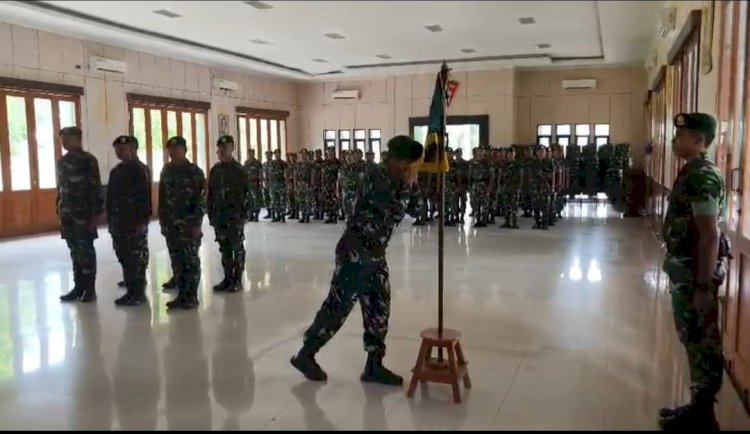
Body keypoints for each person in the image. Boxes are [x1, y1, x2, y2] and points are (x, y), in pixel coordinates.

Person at [291, 135, 423, 386]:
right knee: (338, 307)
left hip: (375, 254)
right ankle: (305, 355)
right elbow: (396, 212)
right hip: (355, 253)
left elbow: (417, 210)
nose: (407, 168)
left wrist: (412, 185)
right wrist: (407, 186)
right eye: (405, 163)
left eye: (410, 165)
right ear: (393, 159)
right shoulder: (375, 177)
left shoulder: (398, 178)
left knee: (379, 307)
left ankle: (374, 365)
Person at [658, 113, 731, 431]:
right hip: (688, 272)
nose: (674, 141)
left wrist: (703, 286)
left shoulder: (702, 176)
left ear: (699, 140)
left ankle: (703, 417)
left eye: (681, 136)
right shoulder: (694, 171)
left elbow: (709, 235)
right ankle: (699, 408)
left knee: (701, 340)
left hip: (695, 276)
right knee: (694, 338)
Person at [57, 126, 104, 303]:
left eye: (66, 138)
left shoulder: (88, 160)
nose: (63, 142)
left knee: (86, 251)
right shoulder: (62, 161)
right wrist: (59, 209)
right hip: (67, 214)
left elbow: (95, 187)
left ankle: (90, 289)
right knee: (74, 251)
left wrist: (96, 214)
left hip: (84, 214)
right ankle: (78, 287)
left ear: (77, 139)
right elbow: (61, 188)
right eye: (62, 139)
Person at [159, 136, 206, 310]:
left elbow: (202, 199)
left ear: (185, 150)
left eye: (176, 149)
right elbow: (162, 197)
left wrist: (196, 224)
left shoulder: (194, 171)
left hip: (189, 225)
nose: (173, 153)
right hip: (171, 224)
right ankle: (182, 294)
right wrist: (163, 221)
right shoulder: (166, 170)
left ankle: (191, 297)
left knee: (190, 261)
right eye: (170, 150)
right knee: (177, 260)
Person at [107, 135, 152, 306]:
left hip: (135, 222)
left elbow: (145, 198)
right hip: (119, 222)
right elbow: (110, 198)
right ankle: (130, 290)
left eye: (123, 149)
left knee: (136, 258)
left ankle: (138, 293)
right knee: (124, 255)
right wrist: (110, 220)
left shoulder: (140, 170)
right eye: (117, 149)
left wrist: (143, 221)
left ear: (133, 149)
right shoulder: (116, 171)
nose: (119, 152)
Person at [207, 135, 249, 293]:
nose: (222, 151)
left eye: (225, 148)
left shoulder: (239, 170)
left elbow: (247, 193)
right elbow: (210, 195)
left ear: (232, 148)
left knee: (237, 248)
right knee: (224, 249)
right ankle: (227, 278)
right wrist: (211, 215)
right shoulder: (215, 170)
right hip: (220, 216)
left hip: (235, 217)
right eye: (220, 149)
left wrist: (245, 215)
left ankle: (237, 280)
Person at [243, 148, 263, 222]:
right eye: (249, 153)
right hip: (248, 184)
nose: (250, 154)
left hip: (255, 184)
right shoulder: (246, 163)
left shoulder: (257, 163)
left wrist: (260, 183)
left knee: (256, 200)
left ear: (254, 154)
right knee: (249, 200)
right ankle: (250, 215)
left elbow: (260, 173)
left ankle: (256, 215)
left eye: (251, 153)